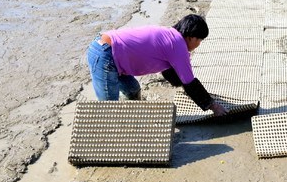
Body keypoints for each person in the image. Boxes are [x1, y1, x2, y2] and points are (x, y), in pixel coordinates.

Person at [86, 13, 227, 116]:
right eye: (199, 40)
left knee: (133, 90)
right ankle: (108, 138)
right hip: (106, 56)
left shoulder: (171, 36)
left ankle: (134, 118)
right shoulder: (178, 45)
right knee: (108, 109)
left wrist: (189, 91)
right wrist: (213, 106)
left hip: (111, 52)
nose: (198, 44)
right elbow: (189, 82)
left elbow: (171, 72)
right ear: (191, 37)